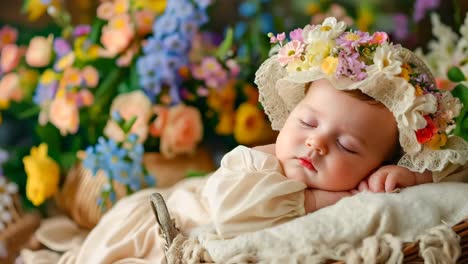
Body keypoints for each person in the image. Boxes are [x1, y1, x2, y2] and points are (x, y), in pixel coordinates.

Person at [22, 17, 468, 264]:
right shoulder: (258, 162)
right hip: (151, 224)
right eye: (307, 122)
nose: (315, 145)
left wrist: (406, 173)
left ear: (377, 162)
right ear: (289, 114)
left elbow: (453, 167)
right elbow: (236, 216)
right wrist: (326, 200)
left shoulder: (382, 173)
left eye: (349, 147)